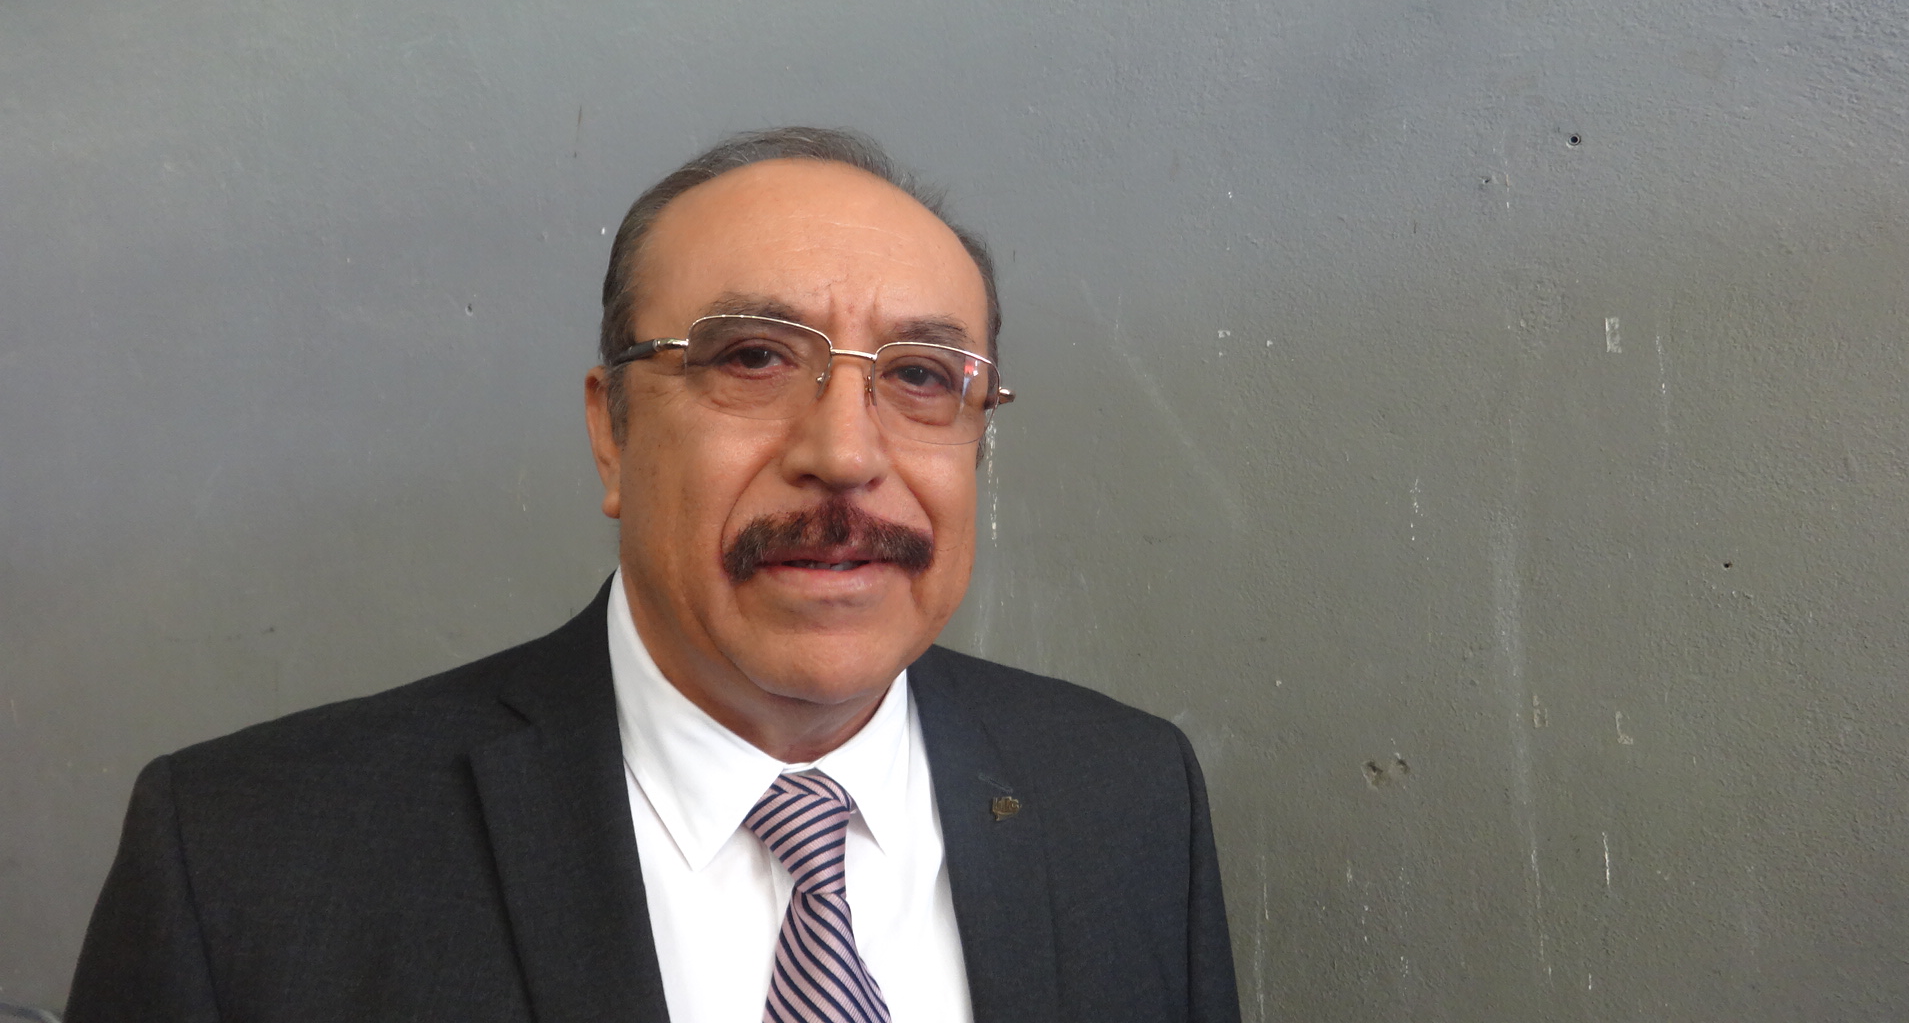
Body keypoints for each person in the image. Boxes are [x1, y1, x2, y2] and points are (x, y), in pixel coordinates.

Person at [65, 127, 1240, 1023]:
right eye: (753, 358)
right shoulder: (248, 857)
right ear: (612, 432)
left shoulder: (1126, 801)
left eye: (923, 376)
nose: (845, 454)